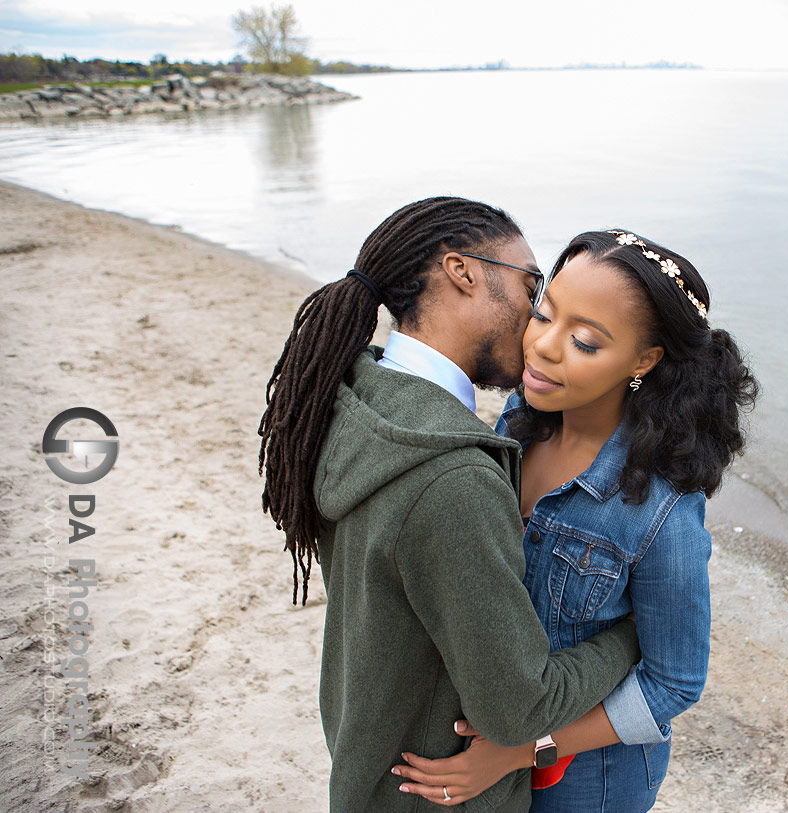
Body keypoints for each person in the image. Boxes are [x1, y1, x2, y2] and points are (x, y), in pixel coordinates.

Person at [257, 198, 644, 812]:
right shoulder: (452, 478)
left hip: (369, 759)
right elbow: (520, 708)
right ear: (463, 272)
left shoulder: (353, 397)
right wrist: (630, 635)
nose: (538, 318)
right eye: (530, 287)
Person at [392, 229, 759, 811]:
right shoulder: (517, 422)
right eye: (543, 313)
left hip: (590, 777)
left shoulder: (658, 508)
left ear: (644, 360)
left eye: (586, 342)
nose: (543, 346)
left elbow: (675, 681)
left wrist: (521, 750)